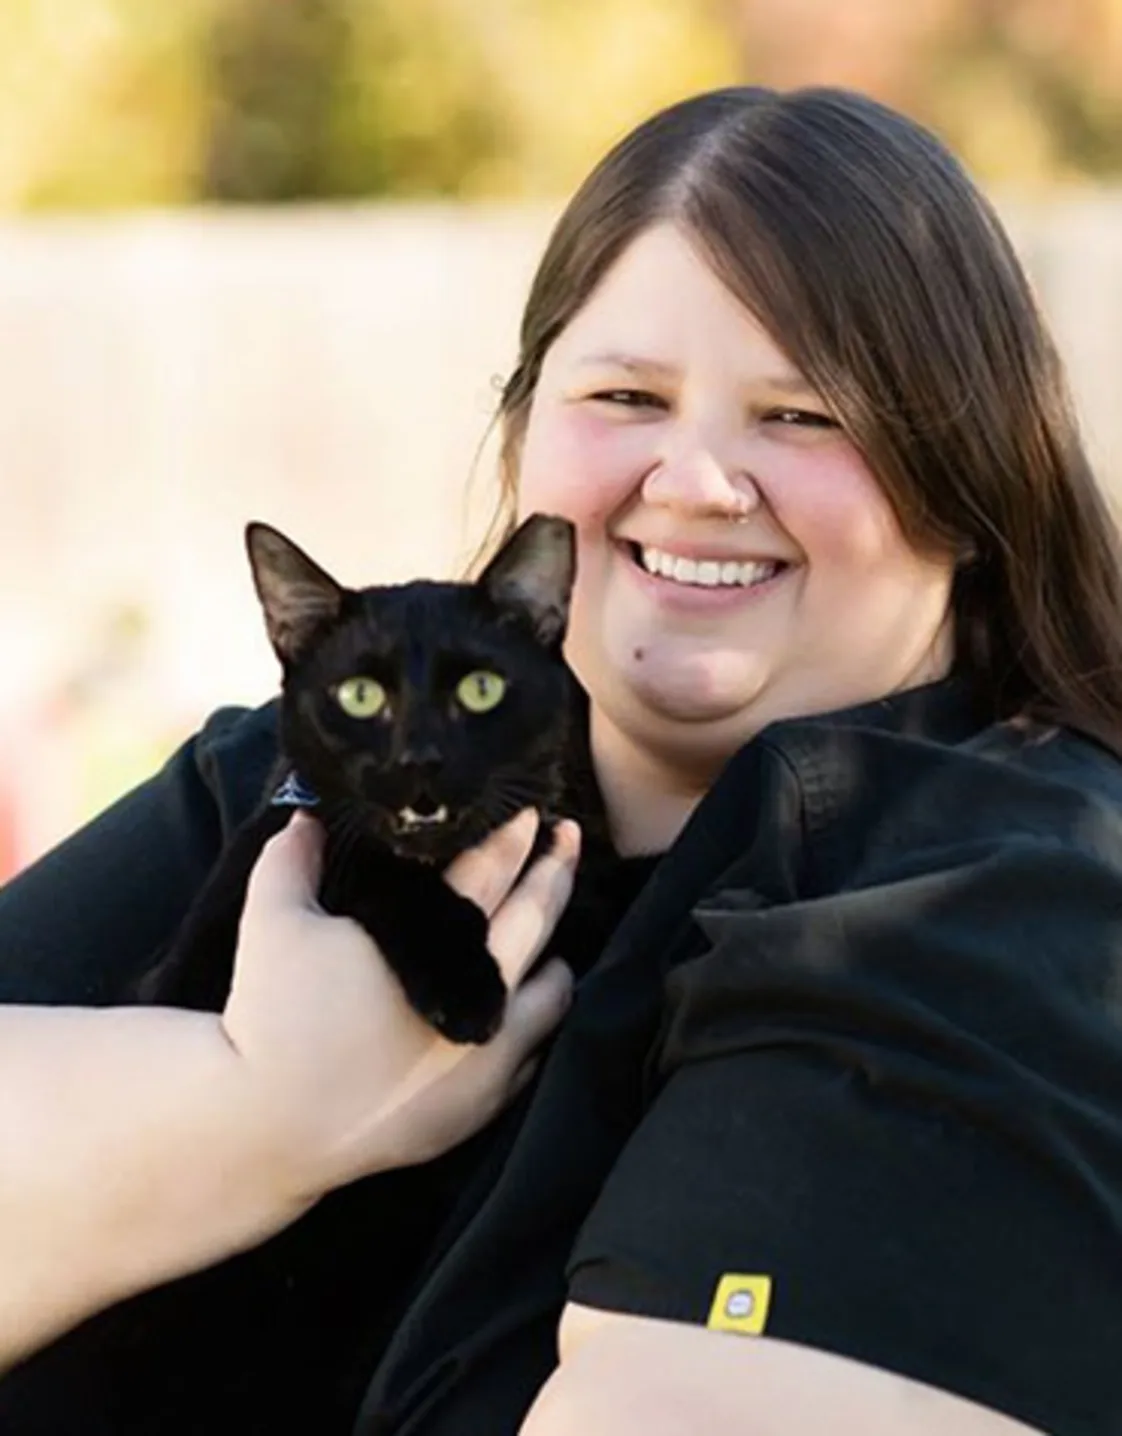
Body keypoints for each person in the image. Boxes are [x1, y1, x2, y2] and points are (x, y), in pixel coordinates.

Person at [1, 81, 1120, 1435]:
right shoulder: (289, 784)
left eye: (804, 414)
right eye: (627, 394)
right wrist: (261, 1105)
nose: (698, 477)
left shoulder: (1005, 898)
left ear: (971, 475)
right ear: (527, 425)